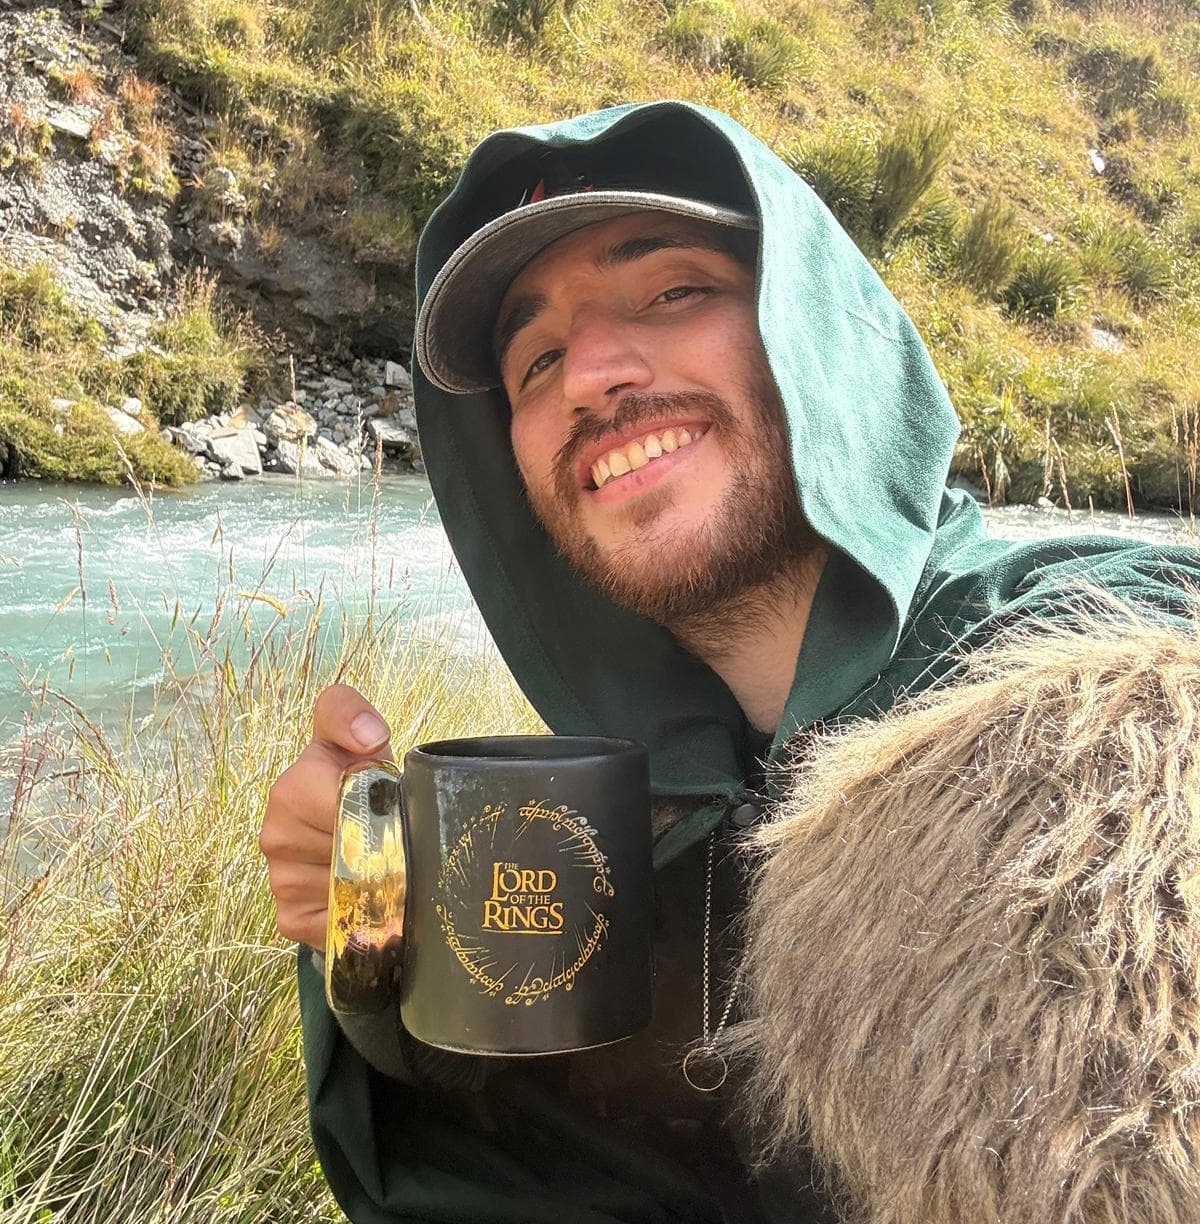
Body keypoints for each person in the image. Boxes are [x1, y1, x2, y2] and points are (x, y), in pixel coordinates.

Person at [261, 100, 1200, 1224]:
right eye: (536, 358)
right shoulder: (628, 834)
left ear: (818, 338)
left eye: (674, 292)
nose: (591, 375)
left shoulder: (1094, 651)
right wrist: (376, 951)